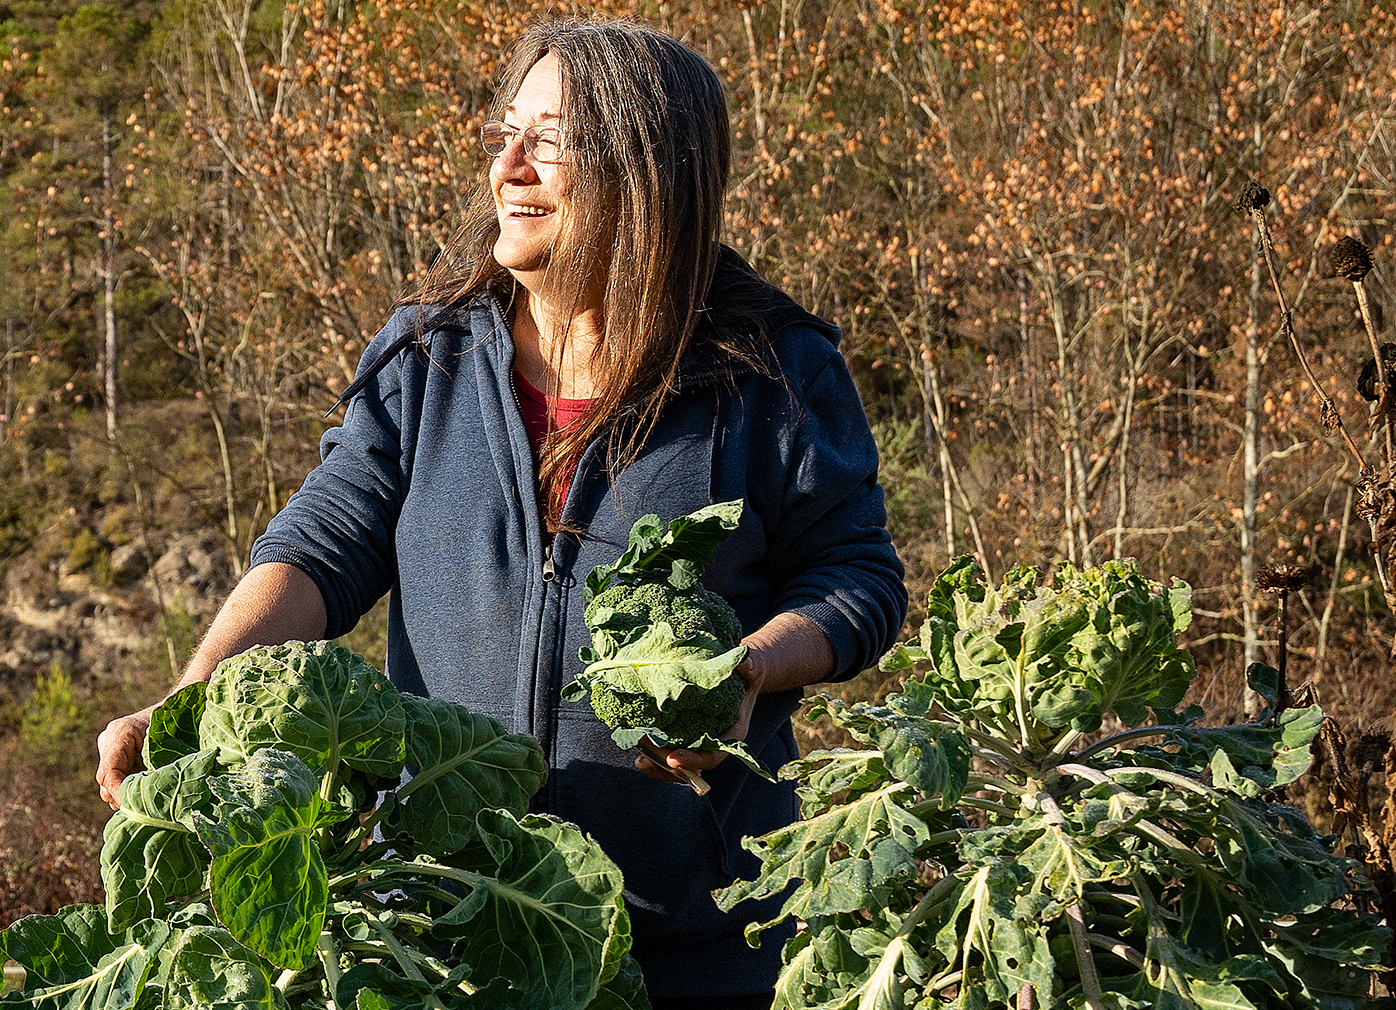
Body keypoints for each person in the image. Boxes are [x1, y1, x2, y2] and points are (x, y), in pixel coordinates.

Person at [90, 18, 905, 1010]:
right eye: (505, 131)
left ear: (647, 169)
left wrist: (748, 670)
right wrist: (192, 701)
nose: (507, 165)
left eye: (550, 139)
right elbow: (319, 547)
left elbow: (855, 578)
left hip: (701, 947)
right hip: (444, 931)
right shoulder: (424, 358)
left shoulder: (774, 372)